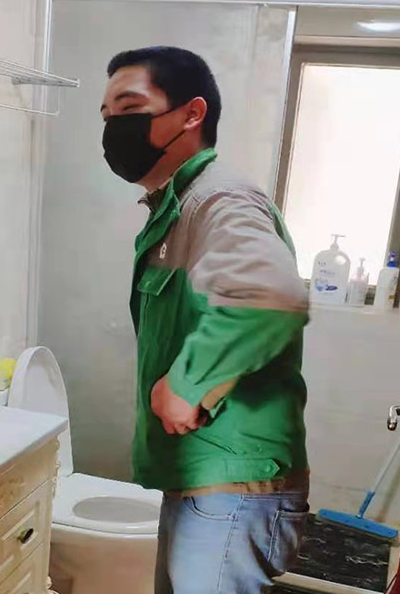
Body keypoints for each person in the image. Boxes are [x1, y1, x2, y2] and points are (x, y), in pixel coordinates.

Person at [100, 46, 310, 594]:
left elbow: (270, 294)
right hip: (204, 476)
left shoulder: (219, 199)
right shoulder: (178, 207)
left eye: (129, 108)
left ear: (192, 113)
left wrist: (188, 384)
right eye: (107, 115)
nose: (113, 127)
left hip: (231, 484)